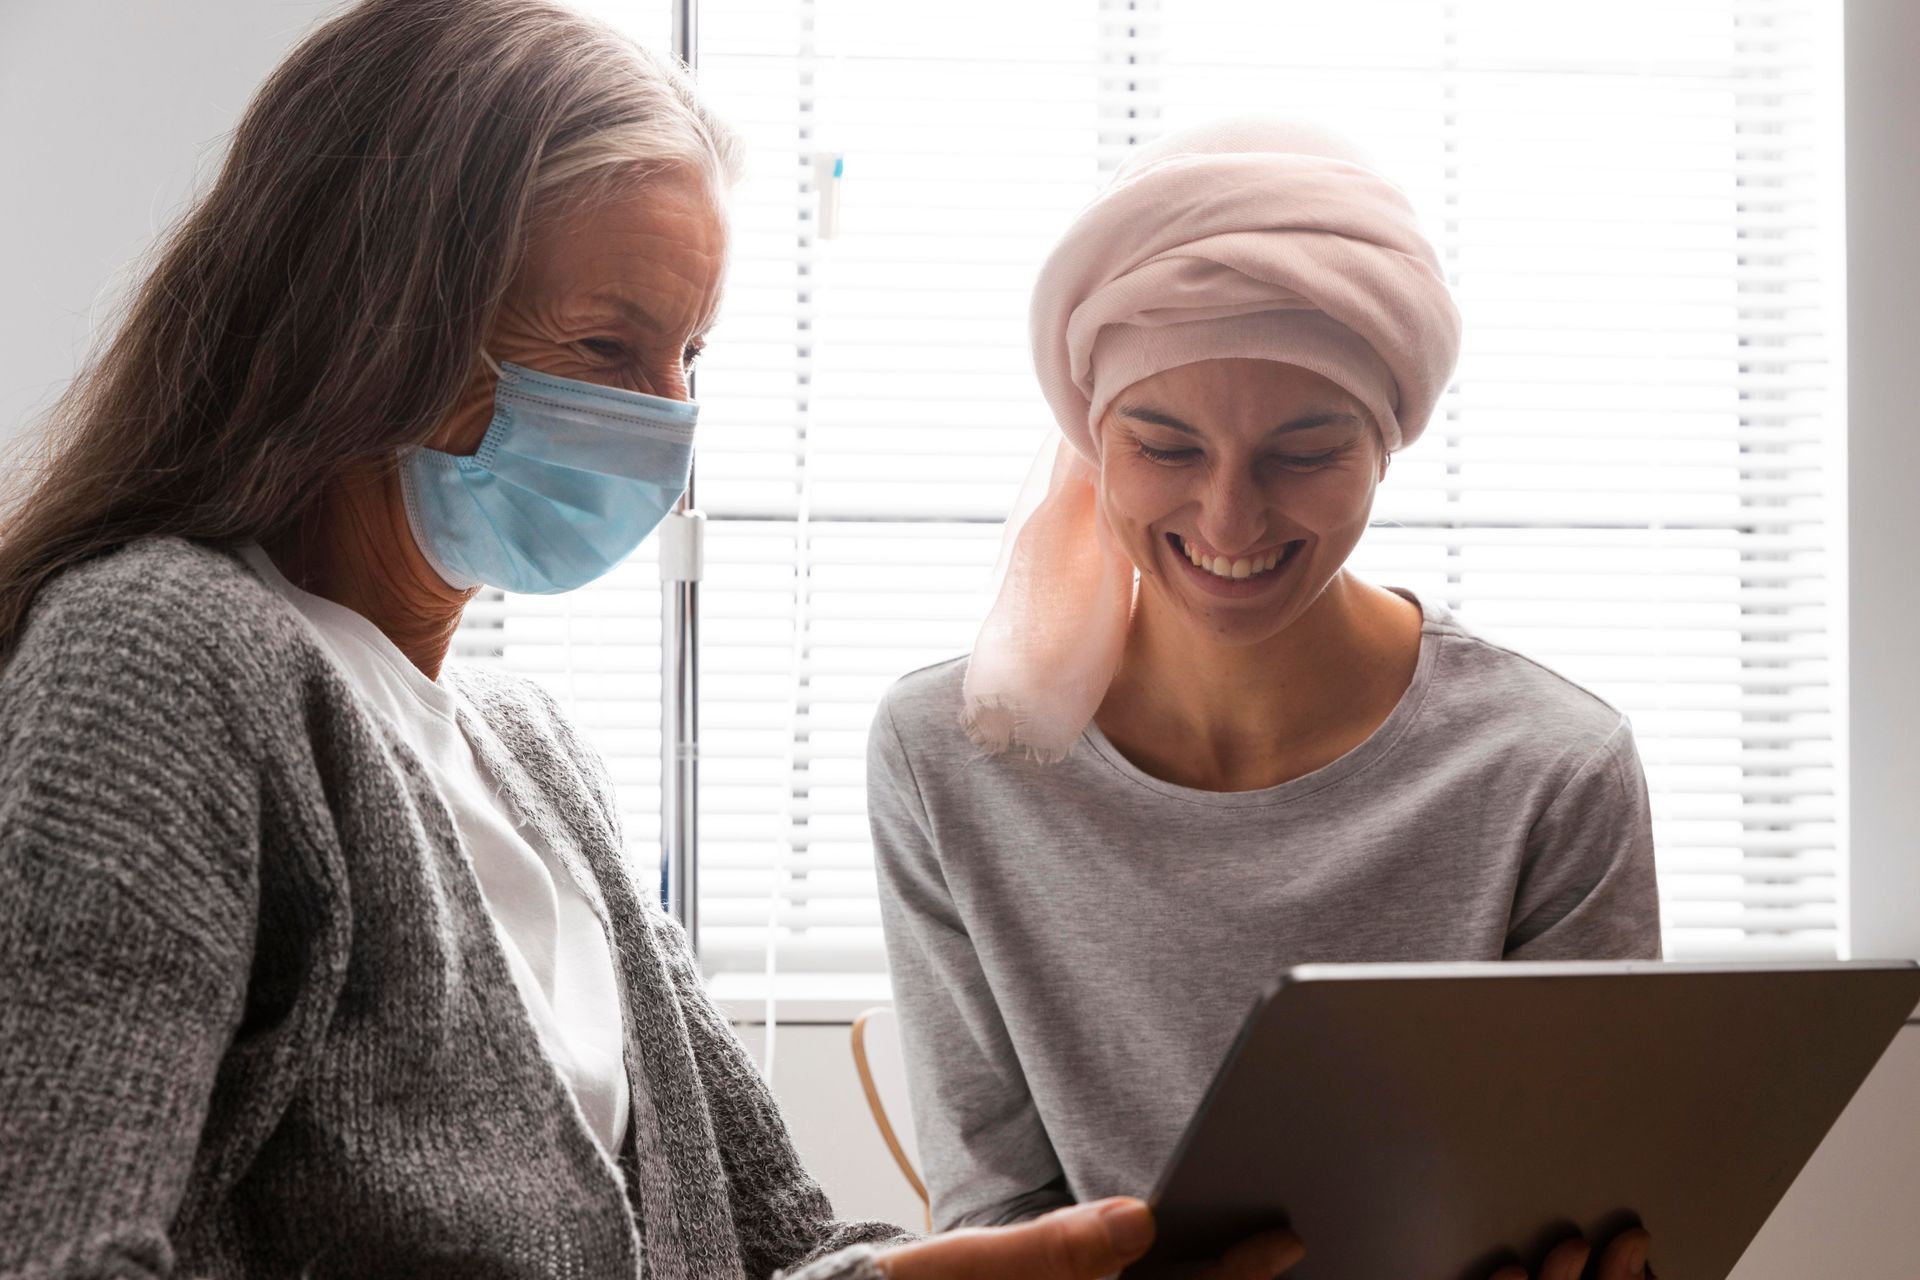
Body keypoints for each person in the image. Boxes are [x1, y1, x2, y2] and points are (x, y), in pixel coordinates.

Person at [0, 5, 1294, 1277]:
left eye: (690, 353)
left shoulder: (531, 753)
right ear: (370, 320)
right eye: (605, 347)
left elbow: (777, 1248)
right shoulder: (161, 658)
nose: (669, 423)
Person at [868, 118, 1660, 1280]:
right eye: (1166, 446)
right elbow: (997, 1222)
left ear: (1386, 442)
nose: (1230, 519)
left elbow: (1597, 1206)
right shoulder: (950, 755)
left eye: (1303, 450)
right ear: (1094, 441)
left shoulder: (1550, 767)